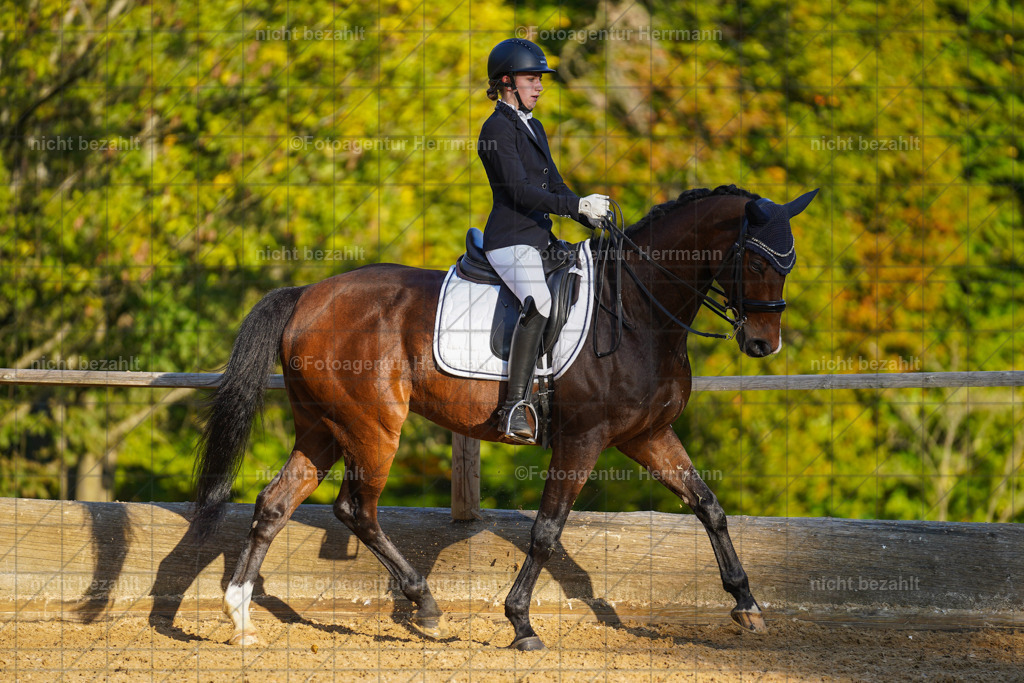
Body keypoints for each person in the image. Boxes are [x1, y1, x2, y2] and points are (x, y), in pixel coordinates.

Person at [478, 38, 610, 444]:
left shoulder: (533, 127)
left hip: (540, 238)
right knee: (541, 303)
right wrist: (571, 207)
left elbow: (554, 182)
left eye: (540, 79)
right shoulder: (495, 128)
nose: (538, 86)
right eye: (531, 78)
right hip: (509, 240)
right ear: (506, 81)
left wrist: (586, 211)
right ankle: (514, 406)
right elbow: (518, 191)